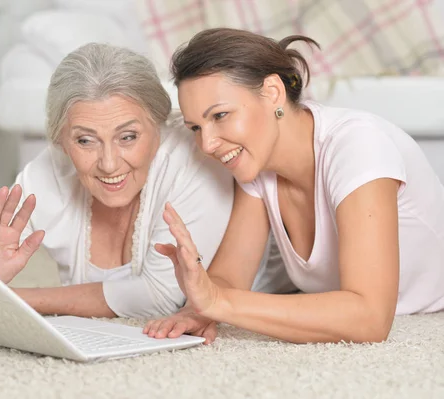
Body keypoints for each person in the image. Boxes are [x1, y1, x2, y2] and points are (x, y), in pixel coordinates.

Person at [143, 28, 444, 344]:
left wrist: (219, 303)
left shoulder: (358, 145)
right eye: (195, 127)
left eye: (220, 115)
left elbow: (370, 318)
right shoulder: (257, 163)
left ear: (272, 91)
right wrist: (198, 305)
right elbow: (230, 277)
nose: (207, 144)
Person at [0, 42, 290, 319]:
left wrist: (12, 299)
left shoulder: (196, 156)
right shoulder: (49, 172)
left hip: (277, 287)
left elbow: (162, 297)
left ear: (159, 124)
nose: (109, 164)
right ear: (60, 140)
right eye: (85, 140)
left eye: (128, 137)